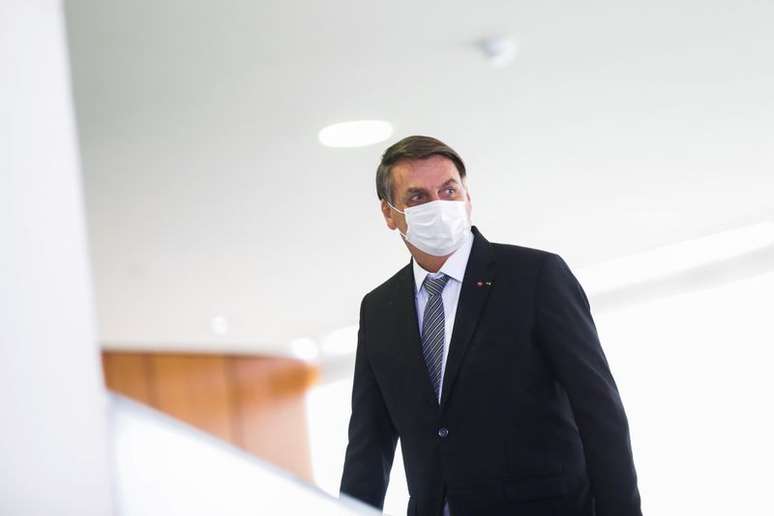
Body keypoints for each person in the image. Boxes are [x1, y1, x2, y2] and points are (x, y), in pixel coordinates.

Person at [339, 135, 642, 516]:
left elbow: (600, 412)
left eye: (448, 190)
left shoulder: (535, 277)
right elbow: (369, 443)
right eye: (417, 197)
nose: (438, 205)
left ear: (467, 196)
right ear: (389, 214)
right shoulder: (379, 309)